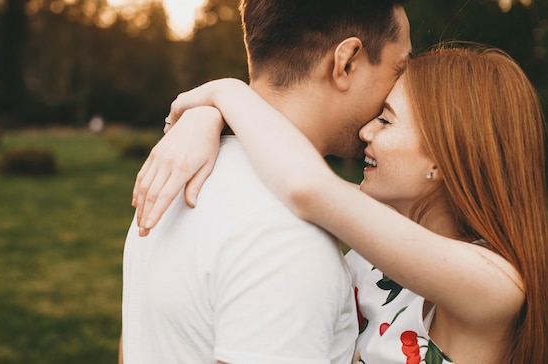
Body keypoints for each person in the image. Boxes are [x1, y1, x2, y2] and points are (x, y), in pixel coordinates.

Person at [133, 45, 548, 363]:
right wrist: (206, 119)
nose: (366, 130)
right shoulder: (380, 244)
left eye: (386, 120)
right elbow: (289, 166)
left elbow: (308, 187)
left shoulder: (495, 284)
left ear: (442, 157)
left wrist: (225, 92)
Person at [121, 0, 412, 363]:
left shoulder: (175, 178)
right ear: (346, 62)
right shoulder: (289, 236)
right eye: (398, 68)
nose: (401, 88)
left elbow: (135, 345)